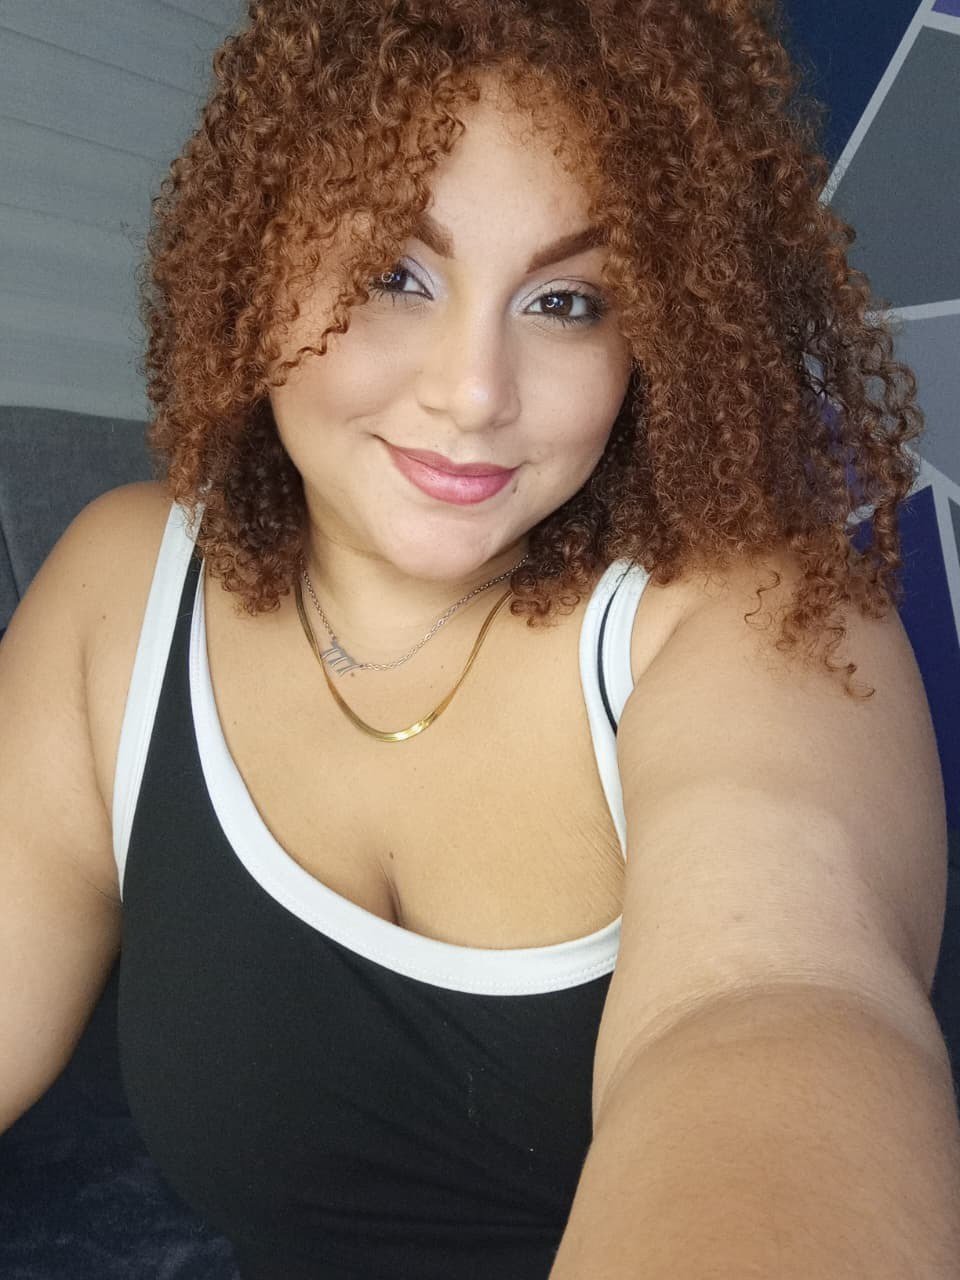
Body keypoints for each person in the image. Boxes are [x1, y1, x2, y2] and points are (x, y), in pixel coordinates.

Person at [2, 2, 953, 1278]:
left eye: (567, 300)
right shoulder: (124, 589)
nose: (474, 391)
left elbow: (779, 1012)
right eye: (395, 274)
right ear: (257, 252)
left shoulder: (761, 617)